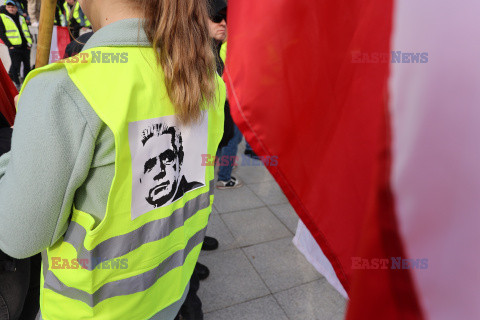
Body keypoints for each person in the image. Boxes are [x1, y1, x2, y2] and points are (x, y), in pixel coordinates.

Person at [0, 0, 225, 319]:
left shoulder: (64, 89)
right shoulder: (208, 79)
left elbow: (17, 238)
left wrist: (25, 137)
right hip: (172, 296)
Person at [208, 0, 244, 190]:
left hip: (220, 127)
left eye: (226, 19)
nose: (223, 23)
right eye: (216, 18)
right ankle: (224, 176)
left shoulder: (215, 48)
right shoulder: (197, 55)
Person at [0, 0, 32, 88]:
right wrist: (9, 45)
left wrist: (29, 43)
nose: (11, 9)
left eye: (13, 7)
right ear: (6, 8)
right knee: (15, 66)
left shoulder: (21, 17)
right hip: (14, 47)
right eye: (9, 7)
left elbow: (26, 31)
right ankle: (17, 84)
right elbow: (1, 33)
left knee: (27, 66)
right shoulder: (2, 17)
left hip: (25, 46)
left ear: (16, 8)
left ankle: (27, 83)